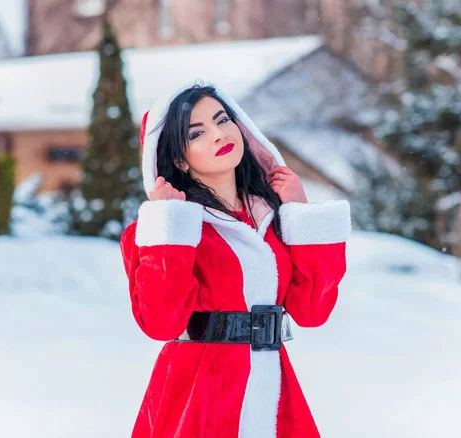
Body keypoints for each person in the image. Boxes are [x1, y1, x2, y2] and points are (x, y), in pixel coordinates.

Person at [120, 80, 351, 438]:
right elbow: (161, 323)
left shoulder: (274, 220)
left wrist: (299, 214)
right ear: (179, 158)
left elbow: (311, 311)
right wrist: (169, 224)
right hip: (197, 394)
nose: (218, 134)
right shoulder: (164, 228)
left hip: (273, 387)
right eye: (197, 133)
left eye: (222, 119)